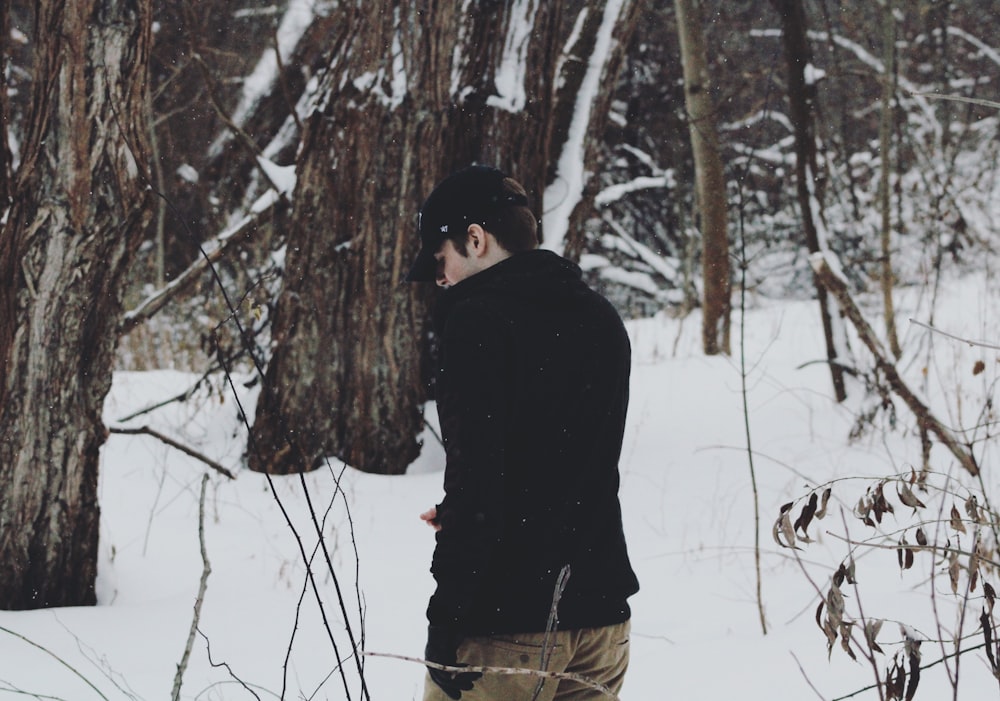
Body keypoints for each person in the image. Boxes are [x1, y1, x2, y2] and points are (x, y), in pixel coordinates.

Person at [407, 164, 639, 701]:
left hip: (506, 626)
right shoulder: (600, 315)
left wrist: (446, 623)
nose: (439, 279)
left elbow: (479, 476)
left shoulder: (476, 321)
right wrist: (469, 513)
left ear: (475, 239)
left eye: (440, 260)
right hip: (602, 618)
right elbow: (574, 457)